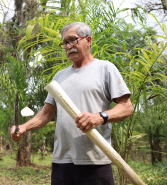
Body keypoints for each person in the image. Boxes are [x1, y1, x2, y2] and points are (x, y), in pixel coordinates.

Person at [11, 22, 133, 185]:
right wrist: (24, 128)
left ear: (88, 40)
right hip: (62, 161)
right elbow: (46, 113)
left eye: (73, 40)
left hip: (95, 161)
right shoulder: (59, 77)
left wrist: (100, 117)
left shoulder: (105, 69)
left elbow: (126, 107)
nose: (68, 46)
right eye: (65, 43)